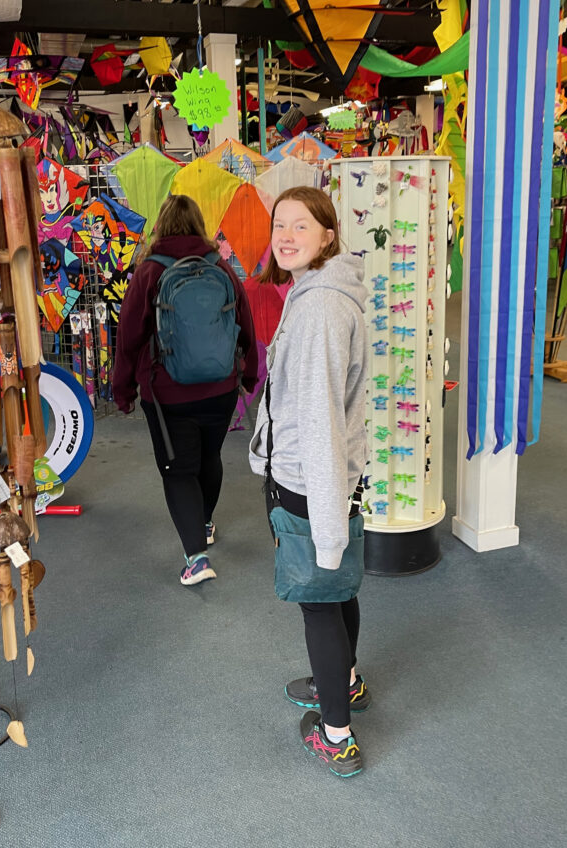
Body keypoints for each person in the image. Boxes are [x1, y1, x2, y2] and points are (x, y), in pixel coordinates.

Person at [249, 186, 370, 778]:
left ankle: (336, 734)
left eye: (303, 225)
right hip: (323, 473)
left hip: (310, 476)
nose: (287, 235)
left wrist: (323, 523)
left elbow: (320, 423)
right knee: (339, 586)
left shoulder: (320, 307)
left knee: (320, 595)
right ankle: (344, 682)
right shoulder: (315, 292)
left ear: (329, 236)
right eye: (280, 225)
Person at [114, 194, 259, 586]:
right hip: (221, 387)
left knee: (178, 470)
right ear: (199, 224)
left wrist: (123, 390)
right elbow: (246, 326)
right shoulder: (222, 269)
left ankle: (196, 557)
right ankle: (205, 522)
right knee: (209, 456)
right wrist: (248, 377)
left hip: (166, 394)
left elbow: (128, 338)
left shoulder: (148, 273)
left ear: (161, 225)